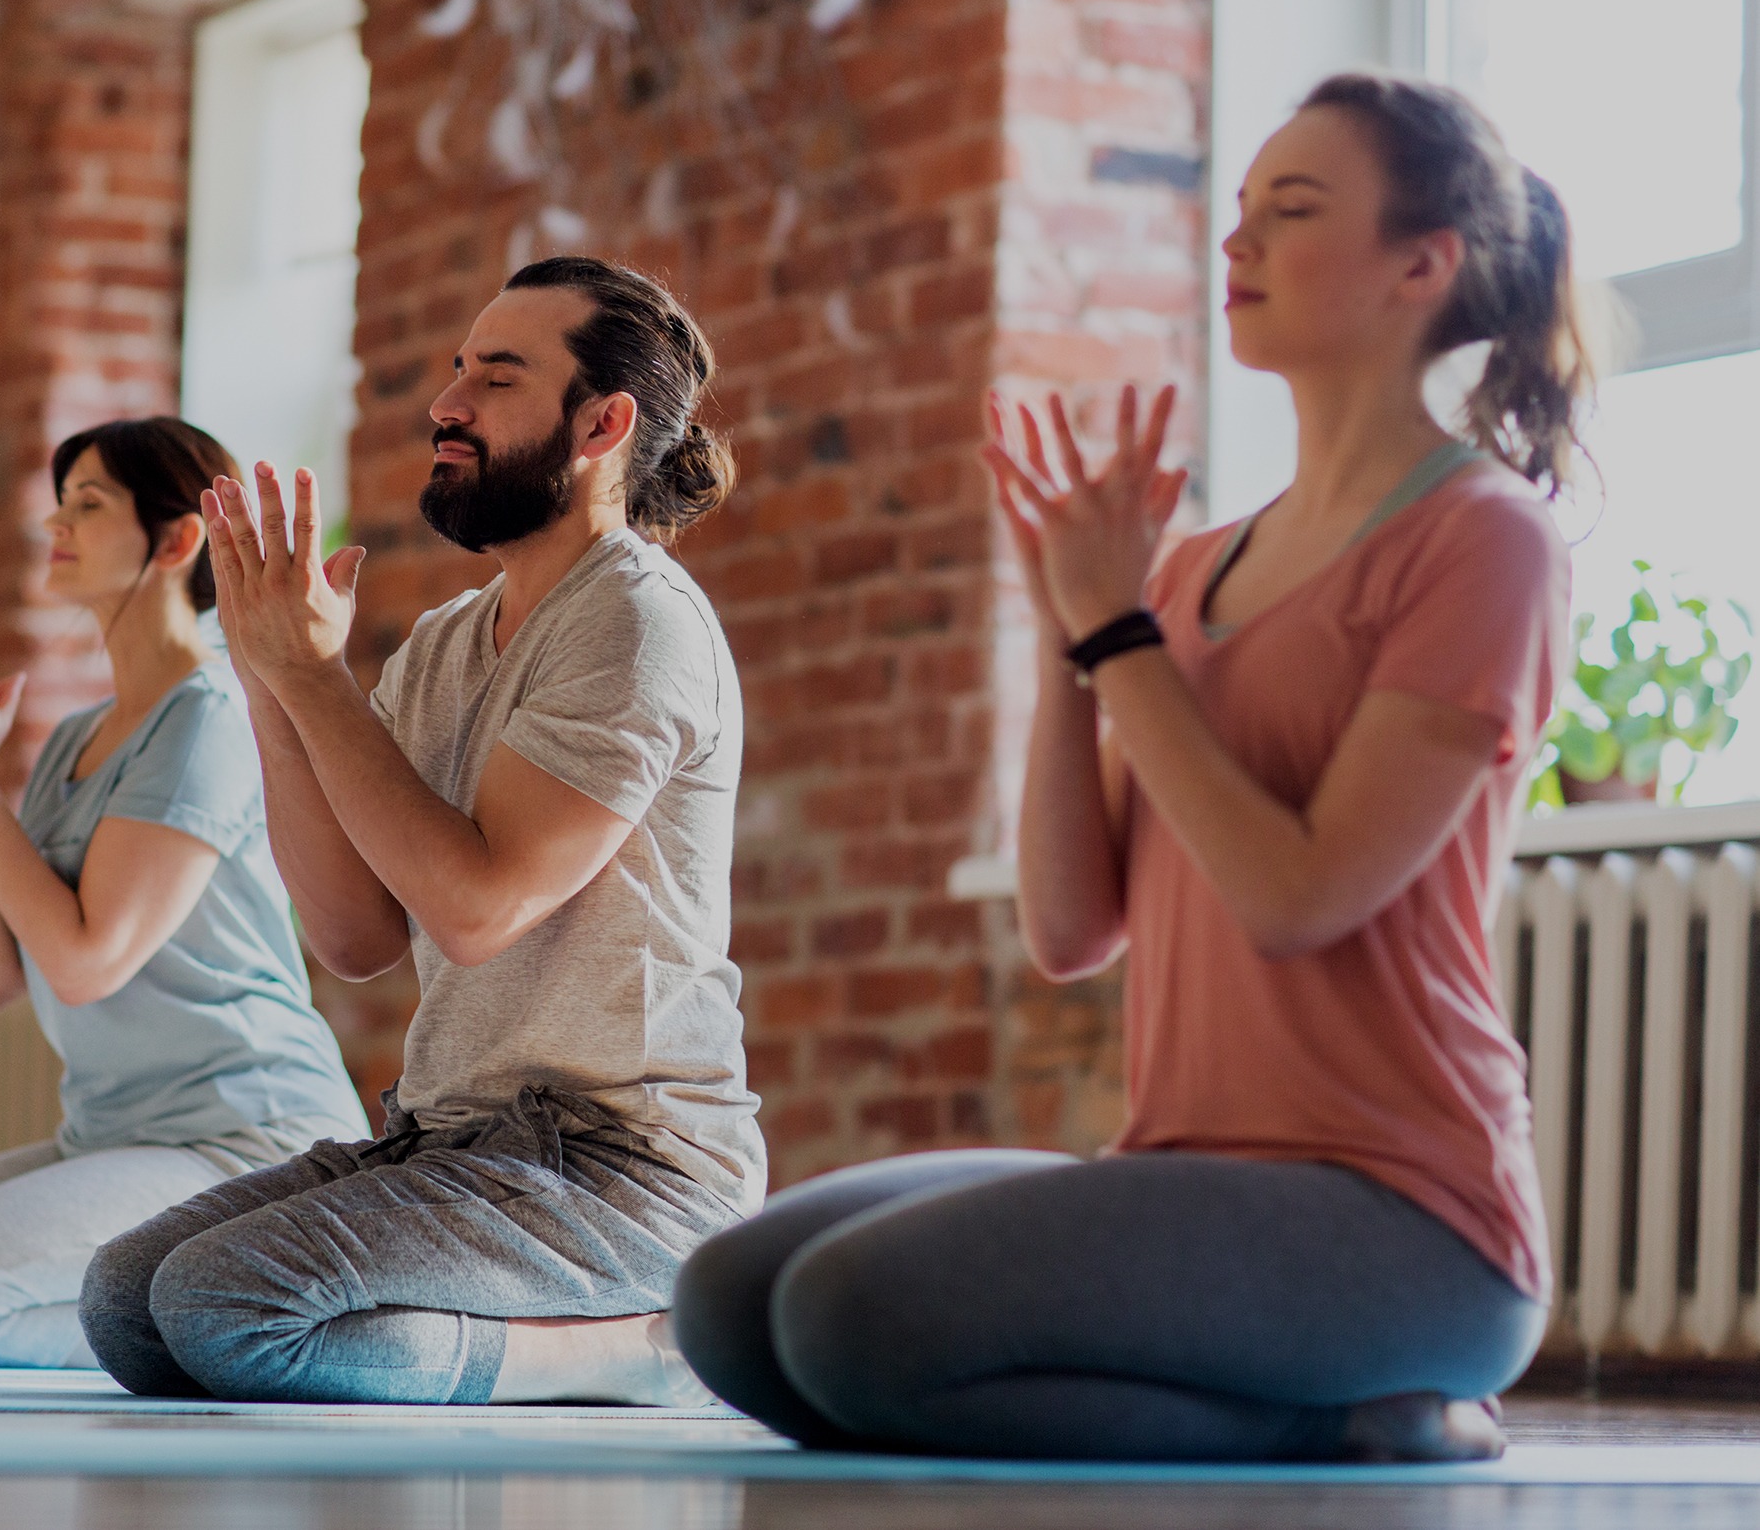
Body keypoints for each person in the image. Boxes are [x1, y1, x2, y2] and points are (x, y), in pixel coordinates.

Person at [672, 72, 1587, 1461]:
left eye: (1290, 211)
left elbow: (1301, 894)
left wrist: (1116, 631)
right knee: (736, 1304)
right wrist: (1063, 637)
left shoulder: (1484, 539)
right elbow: (1069, 928)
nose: (1239, 246)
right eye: (1238, 212)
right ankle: (1335, 1410)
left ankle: (1366, 1406)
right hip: (1189, 1175)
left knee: (854, 1323)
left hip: (1407, 1213)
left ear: (1423, 263)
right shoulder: (1192, 565)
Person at [82, 255, 763, 1406]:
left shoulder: (636, 623)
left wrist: (317, 676)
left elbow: (475, 907)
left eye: (496, 378)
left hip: (623, 1167)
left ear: (601, 425)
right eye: (457, 369)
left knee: (219, 1305)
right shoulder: (449, 640)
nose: (446, 404)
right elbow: (356, 935)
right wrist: (273, 679)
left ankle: (638, 1346)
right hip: (454, 1139)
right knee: (126, 1304)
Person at [0, 417, 371, 1369]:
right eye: (60, 503)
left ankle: (230, 1328)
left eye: (88, 505)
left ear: (176, 539)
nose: (55, 526)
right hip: (116, 1134)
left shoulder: (209, 718)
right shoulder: (74, 742)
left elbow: (83, 961)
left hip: (249, 1137)